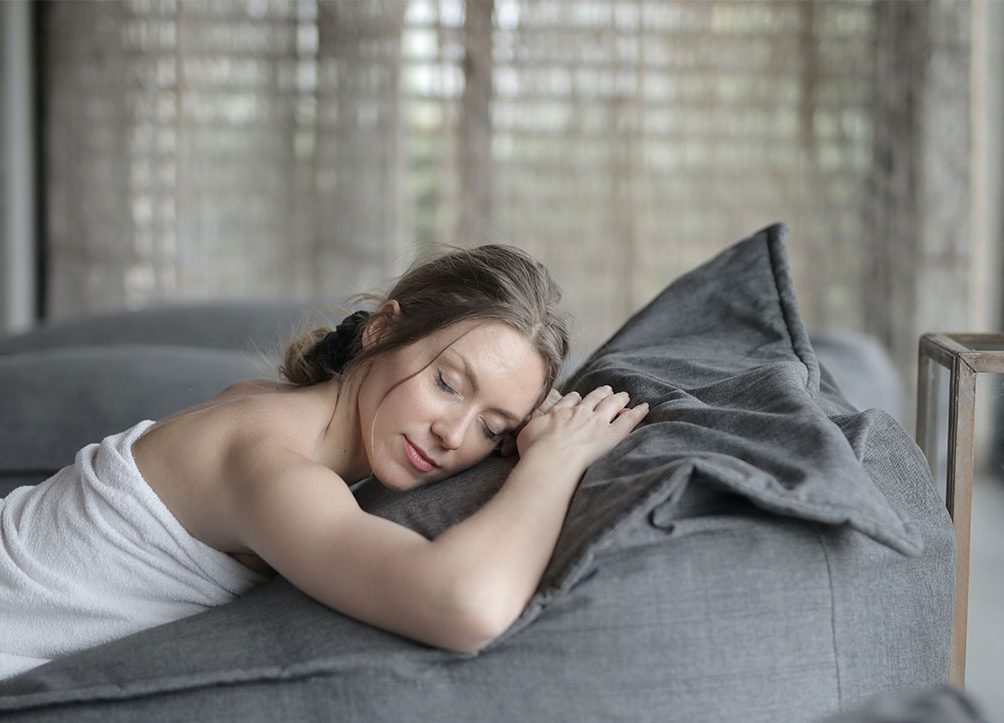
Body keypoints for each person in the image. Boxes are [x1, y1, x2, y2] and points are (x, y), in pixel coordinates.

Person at [0, 245, 648, 679]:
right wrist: (556, 460)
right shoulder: (268, 462)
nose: (453, 435)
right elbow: (465, 607)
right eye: (447, 383)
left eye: (492, 426)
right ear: (382, 329)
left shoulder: (271, 410)